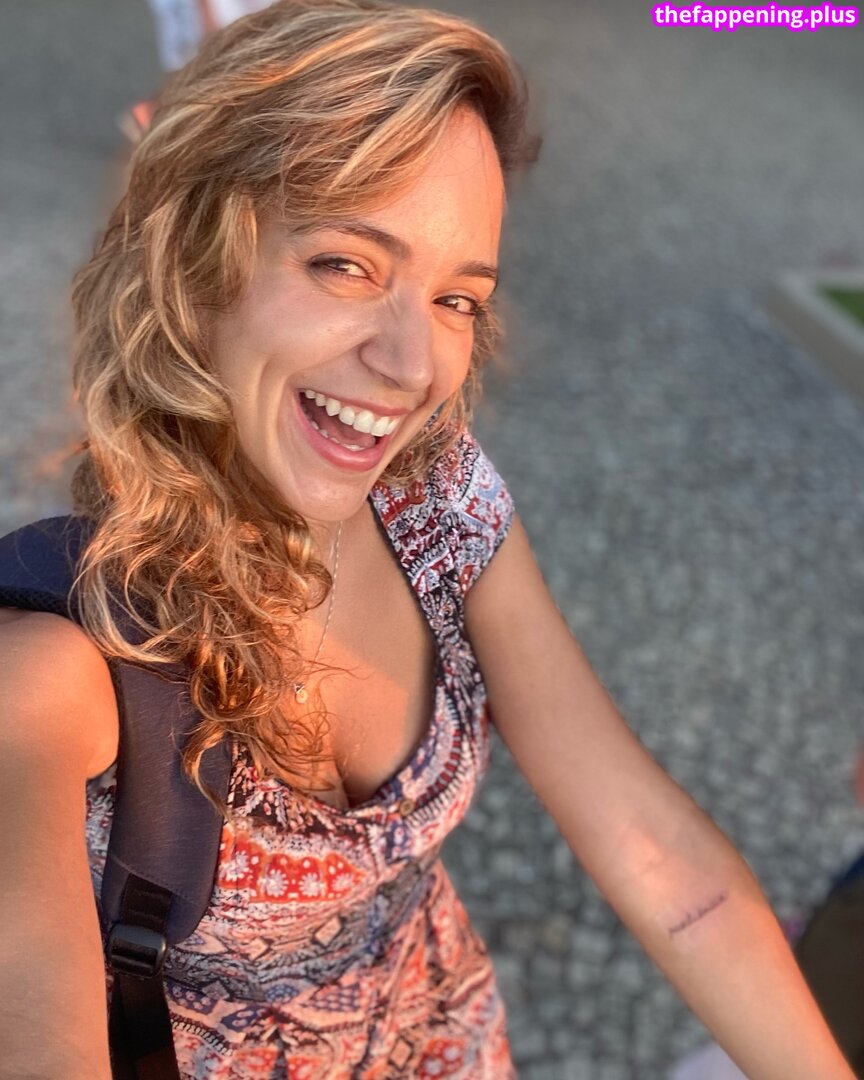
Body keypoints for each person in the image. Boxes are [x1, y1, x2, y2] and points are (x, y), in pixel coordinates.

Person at [0, 2, 856, 1077]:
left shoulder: (436, 504)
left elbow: (661, 863)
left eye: (457, 298)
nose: (413, 367)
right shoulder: (57, 674)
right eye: (346, 264)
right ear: (195, 254)